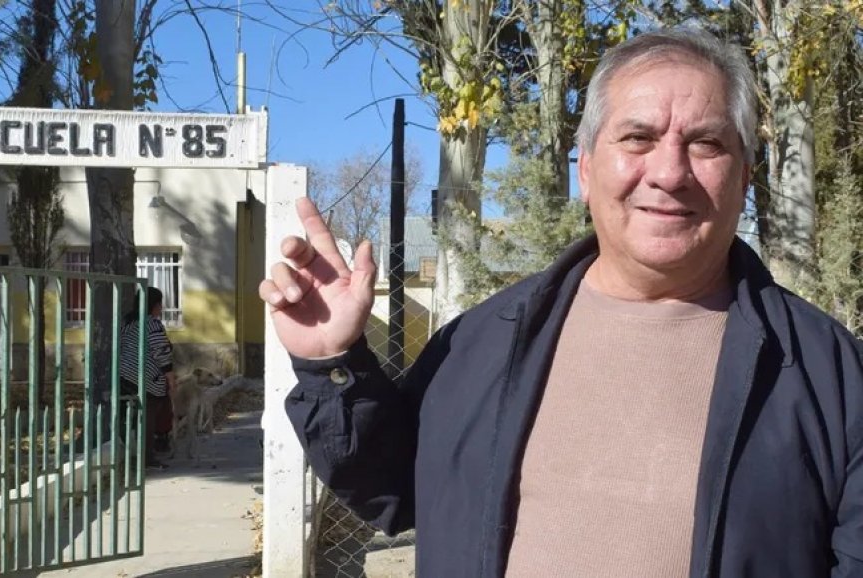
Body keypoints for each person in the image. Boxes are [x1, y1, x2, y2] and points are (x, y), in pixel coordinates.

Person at [260, 27, 863, 578]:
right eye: (639, 137)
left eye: (705, 144)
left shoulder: (828, 373)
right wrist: (331, 363)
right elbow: (391, 489)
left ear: (744, 179)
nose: (670, 171)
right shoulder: (484, 341)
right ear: (586, 167)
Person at [120, 286, 176, 470]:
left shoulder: (127, 322)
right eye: (160, 303)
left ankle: (142, 449)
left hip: (123, 374)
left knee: (137, 414)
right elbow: (161, 353)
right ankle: (148, 456)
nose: (161, 307)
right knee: (150, 412)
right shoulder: (152, 324)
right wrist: (170, 377)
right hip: (143, 376)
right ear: (154, 305)